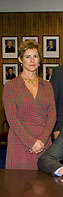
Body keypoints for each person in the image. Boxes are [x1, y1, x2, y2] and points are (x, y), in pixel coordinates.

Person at [2, 40, 56, 170]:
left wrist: (42, 141)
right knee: (19, 186)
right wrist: (31, 142)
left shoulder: (47, 85)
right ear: (20, 59)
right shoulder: (11, 86)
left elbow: (52, 115)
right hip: (20, 142)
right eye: (28, 56)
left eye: (35, 56)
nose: (32, 60)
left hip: (43, 143)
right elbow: (12, 119)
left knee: (45, 186)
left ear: (39, 60)